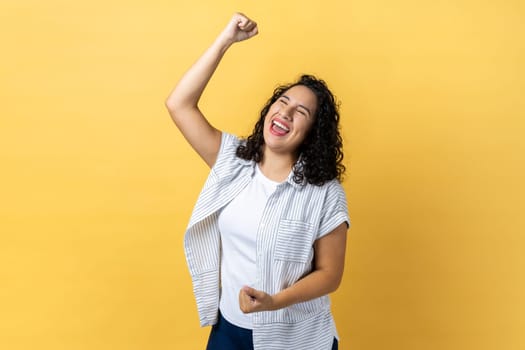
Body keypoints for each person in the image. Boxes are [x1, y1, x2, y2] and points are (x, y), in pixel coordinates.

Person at [165, 13, 350, 350]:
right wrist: (225, 41)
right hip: (229, 331)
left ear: (311, 134)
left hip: (296, 338)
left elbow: (330, 273)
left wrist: (274, 302)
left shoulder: (325, 193)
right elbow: (179, 104)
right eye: (283, 102)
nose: (286, 113)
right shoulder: (233, 161)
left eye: (301, 113)